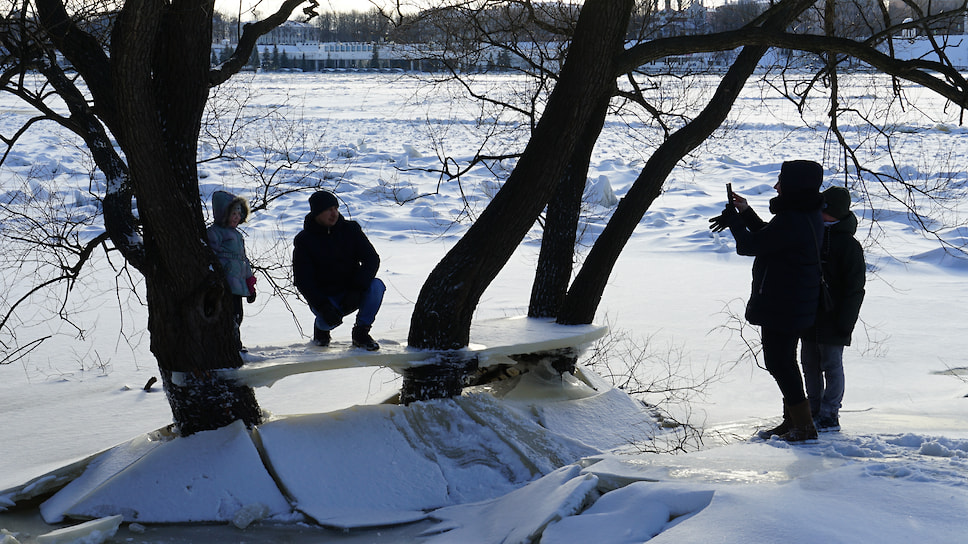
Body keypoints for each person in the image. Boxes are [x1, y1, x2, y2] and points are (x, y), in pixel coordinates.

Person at [709, 160, 825, 442]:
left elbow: (750, 246)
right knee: (783, 361)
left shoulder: (794, 218)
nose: (775, 186)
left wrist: (737, 222)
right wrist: (746, 214)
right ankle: (795, 422)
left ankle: (803, 426)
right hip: (791, 301)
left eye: (780, 182)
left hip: (784, 303)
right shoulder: (804, 214)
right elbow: (769, 237)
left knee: (779, 362)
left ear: (794, 186)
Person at [800, 186, 866, 432]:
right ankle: (814, 409)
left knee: (831, 364)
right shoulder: (813, 235)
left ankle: (829, 413)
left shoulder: (848, 245)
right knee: (809, 363)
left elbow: (855, 289)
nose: (820, 213)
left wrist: (845, 323)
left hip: (834, 317)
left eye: (824, 210)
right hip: (809, 315)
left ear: (835, 213)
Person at [293, 190, 385, 351]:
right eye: (328, 209)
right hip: (326, 299)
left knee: (376, 286)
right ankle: (321, 328)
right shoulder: (304, 240)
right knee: (327, 322)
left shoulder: (351, 230)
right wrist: (323, 306)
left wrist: (357, 288)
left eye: (336, 208)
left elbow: (372, 259)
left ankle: (361, 333)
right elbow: (303, 280)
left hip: (353, 291)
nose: (334, 213)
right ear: (317, 213)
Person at [207, 190, 257, 352]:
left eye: (239, 213)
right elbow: (211, 256)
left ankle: (234, 342)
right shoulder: (214, 233)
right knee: (227, 316)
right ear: (223, 214)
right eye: (233, 213)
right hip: (225, 284)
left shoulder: (237, 235)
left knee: (238, 315)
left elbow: (244, 261)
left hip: (238, 284)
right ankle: (230, 345)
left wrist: (250, 284)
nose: (237, 216)